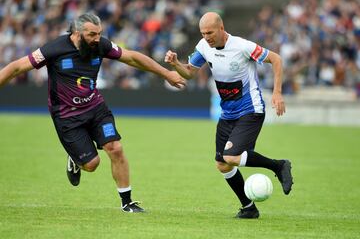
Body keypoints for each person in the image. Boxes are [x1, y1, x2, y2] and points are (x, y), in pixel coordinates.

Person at [0, 13, 186, 213]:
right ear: (77, 33)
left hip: (96, 108)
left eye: (99, 33)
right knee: (91, 164)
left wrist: (166, 74)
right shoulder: (54, 49)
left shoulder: (101, 45)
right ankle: (75, 158)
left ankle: (127, 203)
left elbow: (132, 58)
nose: (97, 38)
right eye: (91, 34)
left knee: (115, 148)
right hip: (67, 116)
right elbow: (16, 68)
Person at [164, 12, 293, 219]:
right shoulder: (204, 46)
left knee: (231, 157)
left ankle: (278, 165)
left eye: (210, 32)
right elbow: (190, 72)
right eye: (203, 33)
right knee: (222, 164)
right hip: (228, 113)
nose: (207, 37)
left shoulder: (243, 46)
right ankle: (249, 207)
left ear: (221, 28)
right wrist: (176, 64)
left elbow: (276, 59)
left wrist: (277, 92)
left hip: (251, 110)